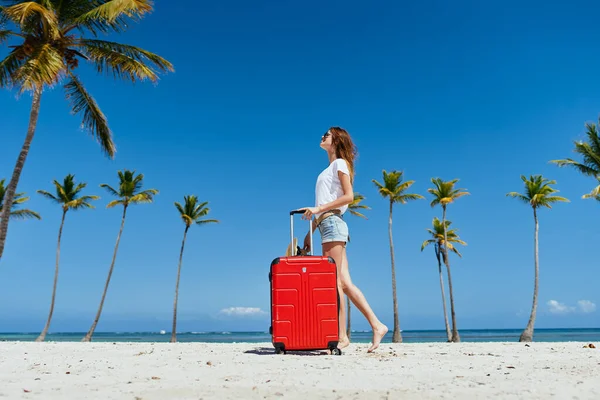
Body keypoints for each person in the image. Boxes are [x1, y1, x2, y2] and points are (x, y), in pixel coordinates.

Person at [297, 127, 388, 353]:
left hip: (333, 225)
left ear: (337, 140)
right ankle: (377, 325)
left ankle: (341, 337)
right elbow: (326, 205)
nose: (322, 136)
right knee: (344, 283)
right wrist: (311, 230)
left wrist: (318, 209)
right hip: (327, 225)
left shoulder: (339, 164)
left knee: (333, 283)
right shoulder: (330, 167)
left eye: (327, 134)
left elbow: (349, 197)